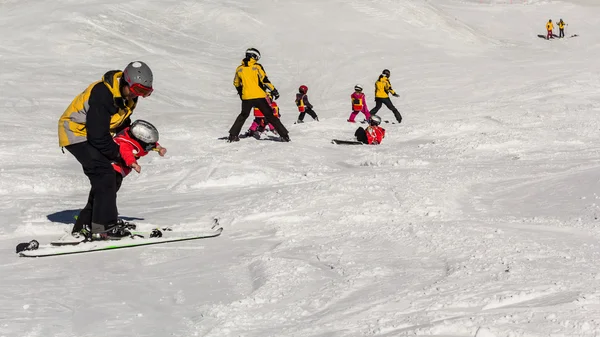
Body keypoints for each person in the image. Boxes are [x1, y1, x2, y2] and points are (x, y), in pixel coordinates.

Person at [58, 61, 154, 238]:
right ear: (126, 81)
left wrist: (133, 142)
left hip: (93, 133)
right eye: (137, 89)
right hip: (75, 132)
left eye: (143, 92)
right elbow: (97, 135)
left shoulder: (128, 97)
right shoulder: (103, 94)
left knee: (111, 175)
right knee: (104, 173)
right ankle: (104, 226)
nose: (137, 95)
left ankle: (87, 224)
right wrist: (119, 154)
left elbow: (120, 123)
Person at [71, 120, 167, 238]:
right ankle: (103, 225)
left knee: (98, 198)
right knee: (106, 198)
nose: (150, 147)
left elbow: (151, 144)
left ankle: (85, 223)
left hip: (111, 172)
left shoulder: (133, 138)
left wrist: (160, 149)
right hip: (113, 172)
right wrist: (133, 164)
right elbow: (126, 153)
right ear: (138, 139)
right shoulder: (125, 143)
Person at [228, 48, 290, 142]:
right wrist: (274, 90)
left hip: (247, 97)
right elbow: (264, 80)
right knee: (270, 115)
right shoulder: (257, 67)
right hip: (259, 96)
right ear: (253, 56)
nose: (257, 59)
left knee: (243, 115)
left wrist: (241, 93)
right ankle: (284, 136)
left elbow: (236, 83)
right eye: (257, 57)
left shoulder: (239, 68)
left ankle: (233, 135)